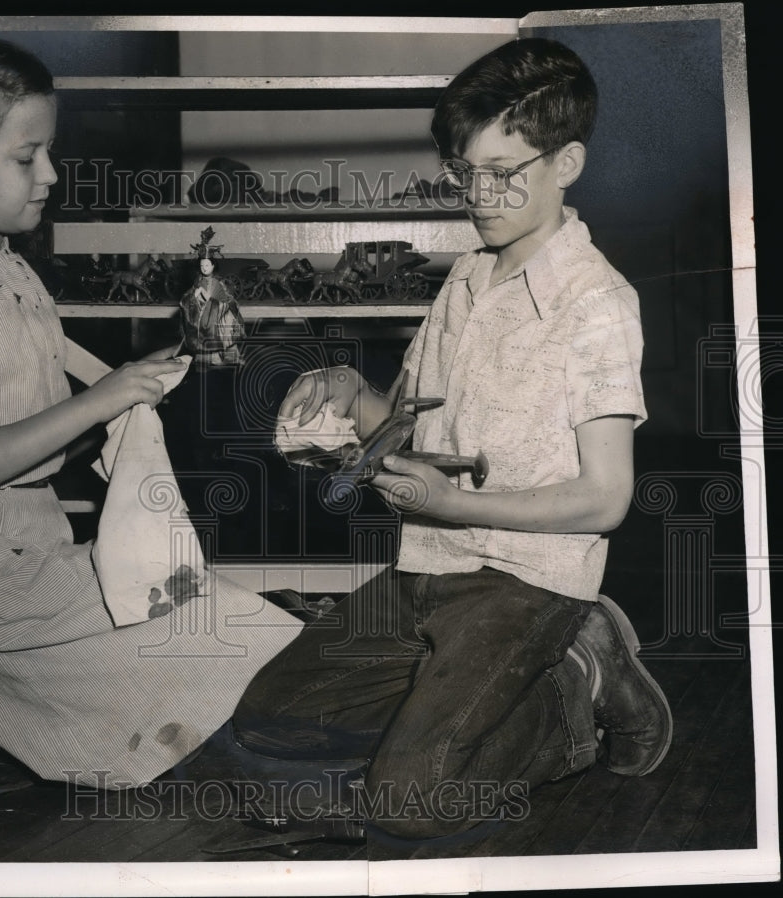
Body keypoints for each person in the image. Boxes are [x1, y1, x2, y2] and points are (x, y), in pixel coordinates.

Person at [232, 37, 673, 840]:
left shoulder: (597, 301)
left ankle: (577, 684)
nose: (477, 194)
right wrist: (343, 389)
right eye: (462, 172)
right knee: (270, 722)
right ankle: (446, 715)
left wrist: (452, 500)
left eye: (502, 172)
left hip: (525, 581)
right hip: (427, 565)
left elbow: (606, 500)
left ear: (567, 162)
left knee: (411, 802)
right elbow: (404, 421)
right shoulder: (467, 279)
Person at [0, 36, 291, 795]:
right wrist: (106, 397)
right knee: (227, 653)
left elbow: (62, 400)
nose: (50, 175)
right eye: (27, 157)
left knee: (236, 635)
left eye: (49, 152)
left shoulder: (11, 270)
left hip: (25, 548)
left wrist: (170, 362)